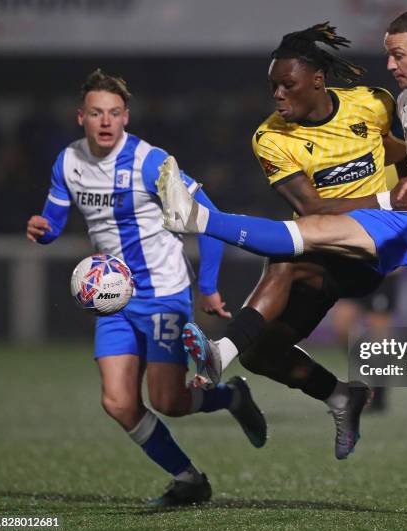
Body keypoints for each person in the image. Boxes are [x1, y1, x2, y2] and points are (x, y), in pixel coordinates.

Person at [157, 10, 407, 520]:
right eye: (387, 53)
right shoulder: (404, 101)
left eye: (397, 54)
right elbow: (386, 170)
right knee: (305, 236)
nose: (387, 63)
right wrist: (405, 183)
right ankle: (197, 218)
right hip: (403, 217)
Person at [180, 23, 407, 460]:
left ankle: (220, 352)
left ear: (318, 80)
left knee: (284, 255)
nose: (278, 95)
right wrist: (386, 195)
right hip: (323, 255)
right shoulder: (271, 138)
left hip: (371, 249)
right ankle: (341, 396)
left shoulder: (373, 104)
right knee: (261, 354)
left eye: (288, 85)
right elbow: (313, 208)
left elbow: (397, 150)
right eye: (273, 87)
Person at [26, 69, 266, 507]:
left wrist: (208, 287)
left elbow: (210, 221)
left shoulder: (151, 162)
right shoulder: (68, 162)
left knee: (169, 400)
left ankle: (232, 396)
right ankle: (189, 479)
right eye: (96, 113)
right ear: (80, 117)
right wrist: (42, 230)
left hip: (163, 295)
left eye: (114, 113)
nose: (105, 122)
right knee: (118, 402)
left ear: (126, 117)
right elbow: (53, 223)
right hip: (113, 300)